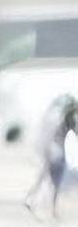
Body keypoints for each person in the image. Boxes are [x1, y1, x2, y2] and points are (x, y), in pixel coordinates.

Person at [22, 92, 78, 220]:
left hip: (50, 151)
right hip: (57, 152)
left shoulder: (54, 117)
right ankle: (50, 208)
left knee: (44, 177)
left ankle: (31, 199)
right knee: (55, 180)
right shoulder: (67, 120)